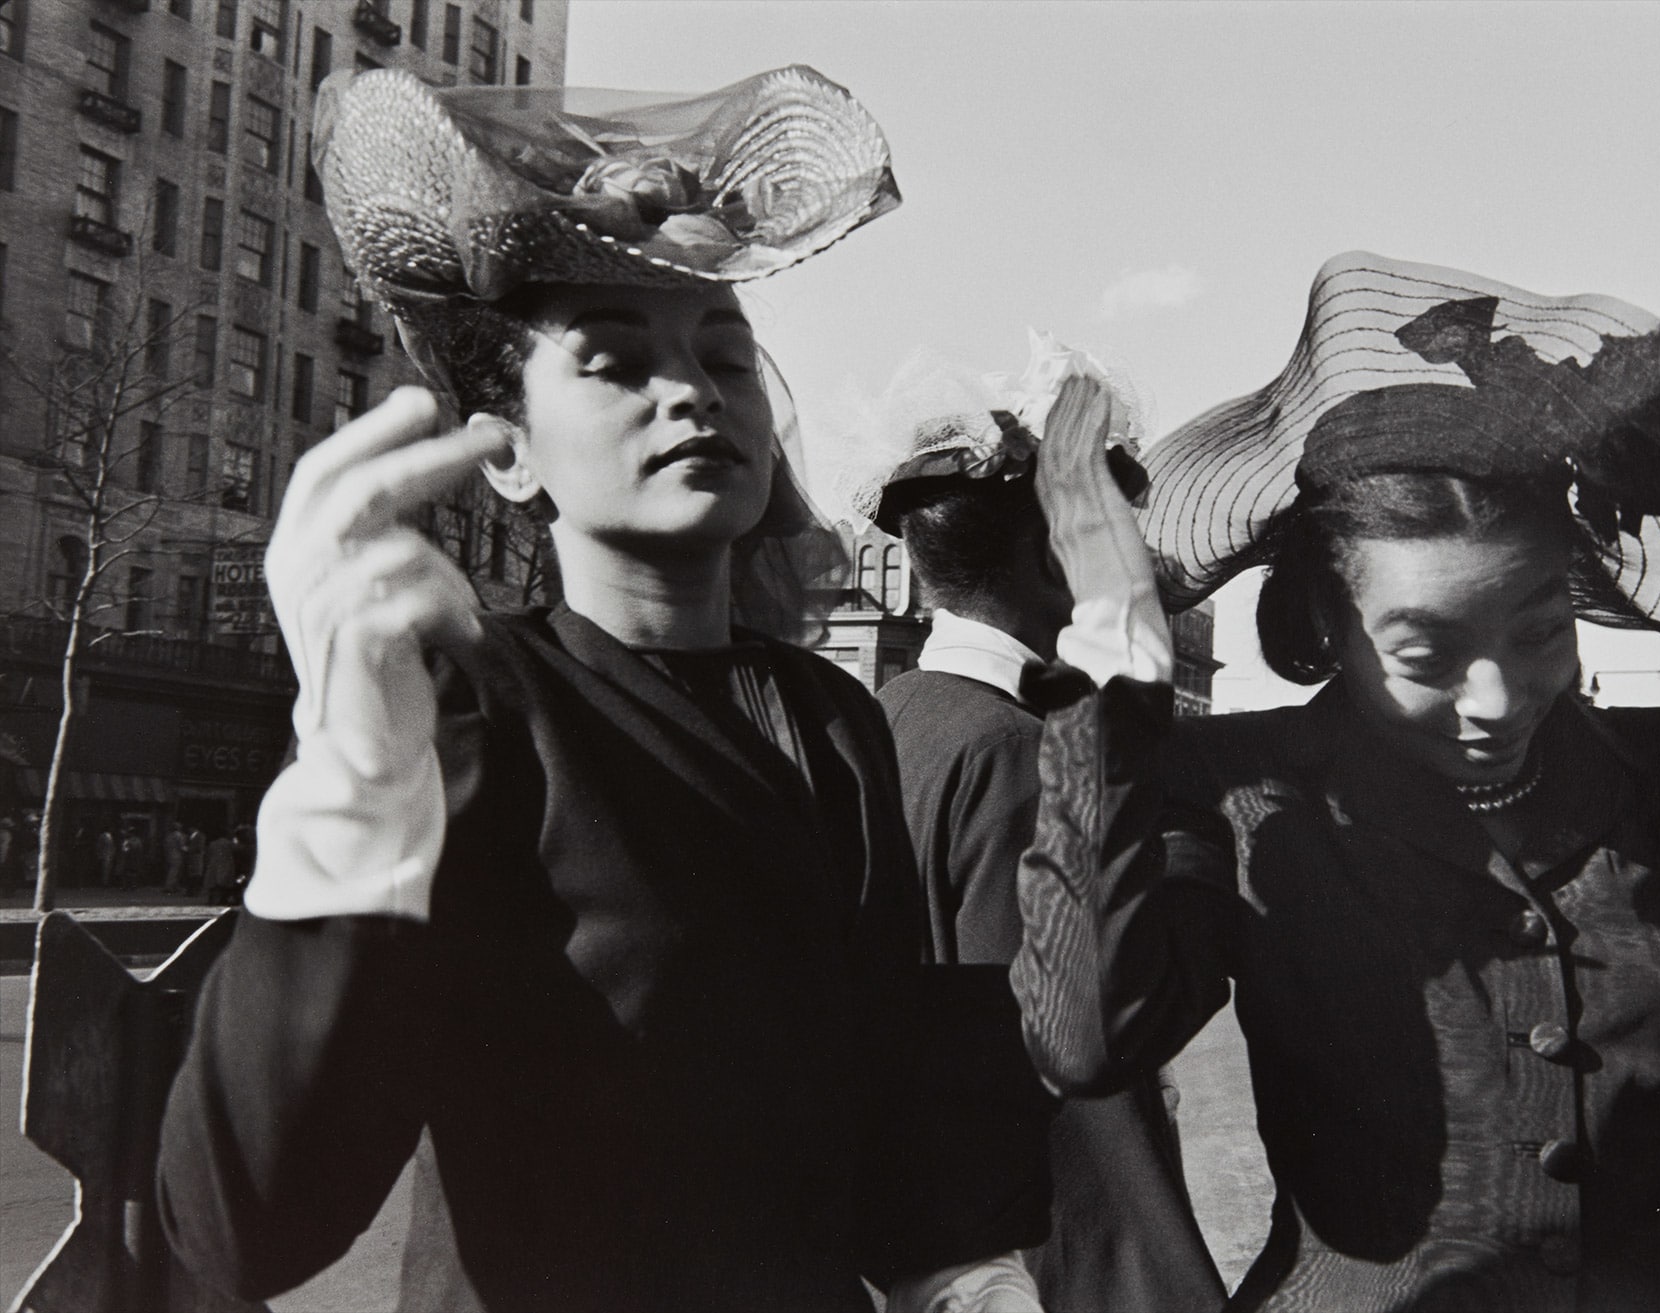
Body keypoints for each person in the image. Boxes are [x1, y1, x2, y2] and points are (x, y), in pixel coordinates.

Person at [158, 67, 1043, 1312]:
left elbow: (889, 1112)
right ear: (506, 451)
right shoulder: (463, 706)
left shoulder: (828, 717)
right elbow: (245, 1222)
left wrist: (968, 1280)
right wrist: (351, 775)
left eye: (723, 356)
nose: (690, 390)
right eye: (616, 361)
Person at [1007, 253, 1660, 1312]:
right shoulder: (1241, 789)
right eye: (1426, 653)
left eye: (1540, 630)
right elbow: (1086, 1039)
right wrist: (1109, 702)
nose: (1498, 697)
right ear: (1326, 622)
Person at [841, 345, 1225, 1312]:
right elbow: (1071, 1063)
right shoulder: (1021, 752)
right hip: (1060, 1257)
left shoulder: (890, 716)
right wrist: (1191, 852)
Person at [163, 821, 188, 895]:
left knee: (172, 871)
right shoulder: (179, 835)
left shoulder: (168, 836)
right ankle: (169, 887)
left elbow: (165, 846)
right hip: (177, 855)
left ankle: (174, 886)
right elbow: (182, 846)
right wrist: (188, 850)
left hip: (169, 855)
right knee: (175, 872)